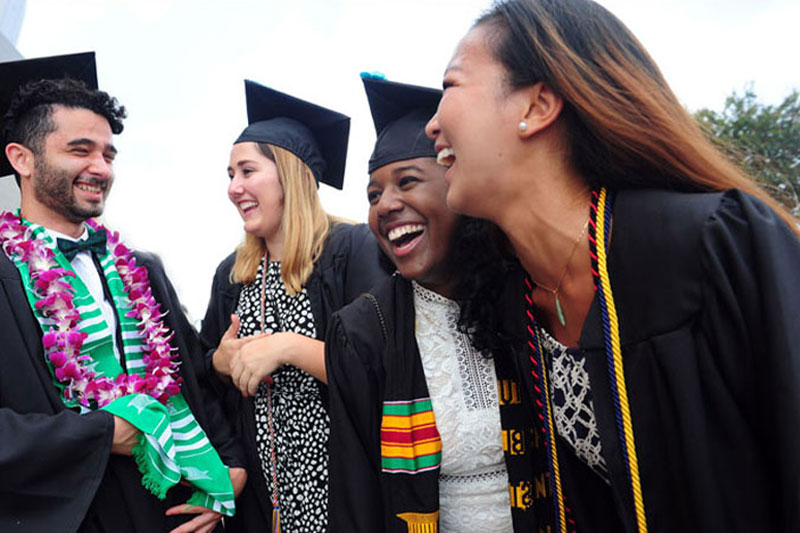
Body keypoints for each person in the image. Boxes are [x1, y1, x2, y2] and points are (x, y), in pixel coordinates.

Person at [424, 0, 800, 531]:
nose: (431, 124)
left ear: (538, 105)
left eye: (450, 87)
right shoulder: (519, 304)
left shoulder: (713, 246)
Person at [0, 52, 246, 533]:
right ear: (21, 159)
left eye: (108, 154)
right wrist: (99, 434)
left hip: (167, 509)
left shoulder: (141, 269)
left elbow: (190, 378)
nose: (102, 168)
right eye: (80, 150)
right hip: (62, 513)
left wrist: (230, 467)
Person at [326, 76, 540, 533]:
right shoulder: (365, 331)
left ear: (459, 187)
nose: (385, 205)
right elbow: (357, 497)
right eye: (374, 195)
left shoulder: (525, 291)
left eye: (407, 181)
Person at [199, 80, 389, 532]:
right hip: (265, 511)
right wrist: (218, 362)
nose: (233, 188)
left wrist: (289, 348)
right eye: (230, 176)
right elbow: (203, 380)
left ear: (296, 174)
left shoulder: (353, 251)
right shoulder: (233, 275)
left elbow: (385, 370)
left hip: (349, 498)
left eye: (247, 171)